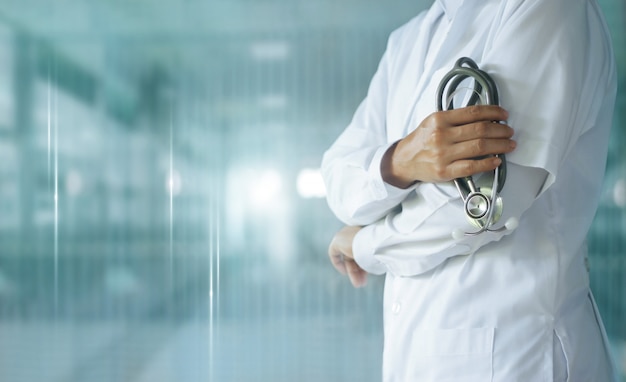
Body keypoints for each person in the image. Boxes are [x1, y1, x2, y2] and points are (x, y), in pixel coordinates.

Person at [321, 0, 618, 381]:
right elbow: (339, 178)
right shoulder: (409, 39)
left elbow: (481, 207)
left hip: (518, 355)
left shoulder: (547, 9)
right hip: (418, 353)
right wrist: (401, 160)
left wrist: (364, 245)